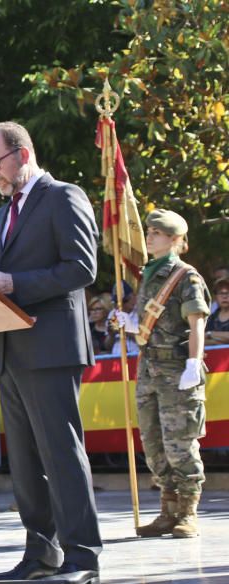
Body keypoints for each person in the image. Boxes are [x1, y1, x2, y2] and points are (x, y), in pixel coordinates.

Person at [0, 120, 102, 584]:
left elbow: (82, 267)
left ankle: (83, 553)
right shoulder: (2, 214)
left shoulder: (63, 197)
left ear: (23, 155)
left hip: (51, 348)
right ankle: (41, 551)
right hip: (10, 348)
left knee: (60, 453)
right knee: (26, 461)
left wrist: (17, 284)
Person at [117, 210, 210, 538]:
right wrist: (128, 323)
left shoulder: (186, 276)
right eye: (149, 232)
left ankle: (188, 513)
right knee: (153, 444)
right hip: (149, 368)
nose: (150, 237)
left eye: (157, 233)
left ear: (174, 239)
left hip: (175, 370)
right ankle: (167, 511)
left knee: (180, 444)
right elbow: (147, 321)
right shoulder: (149, 275)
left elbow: (197, 321)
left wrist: (193, 364)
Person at [205, 277, 229, 345]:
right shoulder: (211, 318)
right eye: (220, 293)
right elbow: (202, 340)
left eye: (227, 293)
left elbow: (207, 335)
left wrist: (210, 334)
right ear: (215, 297)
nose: (224, 296)